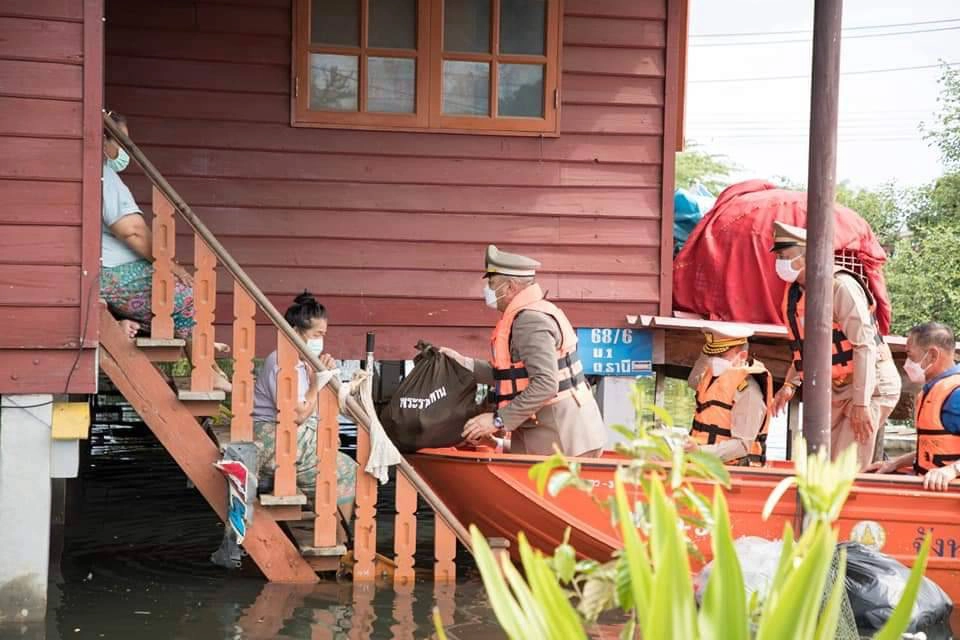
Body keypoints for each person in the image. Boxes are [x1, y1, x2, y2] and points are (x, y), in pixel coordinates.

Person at [99, 111, 231, 389]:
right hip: (110, 274)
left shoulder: (103, 174)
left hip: (113, 271)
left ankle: (208, 366)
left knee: (187, 296)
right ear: (102, 140)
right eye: (121, 141)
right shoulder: (102, 175)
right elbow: (131, 231)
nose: (125, 149)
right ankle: (205, 369)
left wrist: (167, 263)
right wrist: (169, 266)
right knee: (186, 292)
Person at [440, 245, 606, 457]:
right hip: (565, 435)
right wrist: (463, 364)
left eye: (491, 283)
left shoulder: (529, 321)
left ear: (509, 287)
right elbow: (515, 375)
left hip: (559, 440)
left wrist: (496, 420)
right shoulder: (533, 312)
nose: (487, 291)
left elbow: (546, 384)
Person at [769, 222, 901, 469]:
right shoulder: (796, 293)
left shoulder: (840, 286)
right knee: (820, 461)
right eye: (778, 256)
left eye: (785, 256)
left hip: (870, 385)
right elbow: (805, 347)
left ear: (807, 255)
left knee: (846, 467)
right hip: (836, 388)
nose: (780, 262)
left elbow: (864, 347)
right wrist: (789, 384)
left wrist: (861, 403)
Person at [252, 292, 357, 509]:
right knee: (348, 471)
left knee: (334, 454)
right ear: (295, 331)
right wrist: (316, 384)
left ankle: (329, 523)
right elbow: (297, 415)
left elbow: (311, 409)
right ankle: (338, 537)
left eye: (323, 335)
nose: (321, 341)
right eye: (317, 335)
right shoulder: (282, 361)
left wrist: (323, 375)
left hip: (287, 435)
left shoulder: (302, 361)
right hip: (269, 436)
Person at [866, 322, 960, 491]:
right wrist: (895, 462)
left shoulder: (956, 394)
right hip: (928, 486)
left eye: (910, 355)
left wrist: (951, 470)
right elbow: (933, 447)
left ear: (932, 355)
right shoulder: (931, 390)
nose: (907, 363)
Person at [685, 325, 772, 466]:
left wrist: (700, 452)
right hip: (700, 461)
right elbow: (693, 380)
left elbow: (742, 446)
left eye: (720, 355)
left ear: (742, 356)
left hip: (734, 469)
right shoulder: (712, 377)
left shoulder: (749, 392)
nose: (713, 360)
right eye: (711, 354)